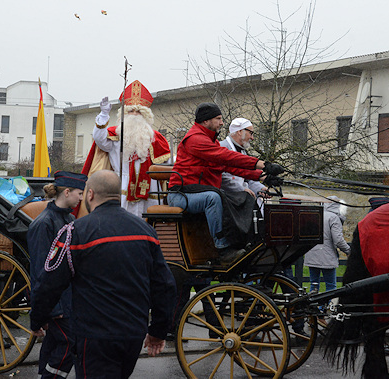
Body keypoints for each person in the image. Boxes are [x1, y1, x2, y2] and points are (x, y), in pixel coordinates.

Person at [30, 170, 176, 379]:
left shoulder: (76, 231)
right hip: (133, 333)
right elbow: (164, 285)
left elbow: (48, 284)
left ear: (90, 194)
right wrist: (158, 331)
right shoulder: (145, 231)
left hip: (95, 335)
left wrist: (37, 319)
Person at [167, 103, 280, 264]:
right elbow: (226, 156)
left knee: (243, 197)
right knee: (213, 198)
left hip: (196, 192)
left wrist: (262, 176)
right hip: (180, 194)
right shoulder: (195, 139)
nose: (222, 123)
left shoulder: (210, 141)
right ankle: (223, 249)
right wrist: (261, 164)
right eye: (218, 118)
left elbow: (227, 166)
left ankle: (243, 241)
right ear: (206, 121)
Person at [27, 171, 86, 378]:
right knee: (69, 342)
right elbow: (41, 271)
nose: (81, 198)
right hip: (56, 301)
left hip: (67, 299)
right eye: (79, 193)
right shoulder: (43, 224)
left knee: (53, 342)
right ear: (67, 192)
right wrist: (53, 308)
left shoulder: (69, 219)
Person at [82, 80, 171, 216]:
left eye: (138, 111)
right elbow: (99, 139)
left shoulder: (156, 138)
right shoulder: (116, 135)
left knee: (147, 221)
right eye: (131, 111)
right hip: (121, 185)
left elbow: (168, 164)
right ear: (124, 114)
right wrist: (104, 115)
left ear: (145, 115)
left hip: (150, 188)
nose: (134, 114)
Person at [304, 196, 350, 293]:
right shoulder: (334, 218)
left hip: (312, 254)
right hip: (327, 256)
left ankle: (313, 302)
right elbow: (338, 240)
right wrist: (348, 251)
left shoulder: (314, 215)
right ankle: (327, 303)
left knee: (314, 285)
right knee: (330, 286)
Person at [220, 118, 267, 199]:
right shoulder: (222, 148)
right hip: (227, 198)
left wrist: (261, 188)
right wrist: (241, 189)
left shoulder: (242, 151)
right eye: (250, 133)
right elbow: (221, 177)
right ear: (240, 131)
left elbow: (248, 177)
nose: (252, 138)